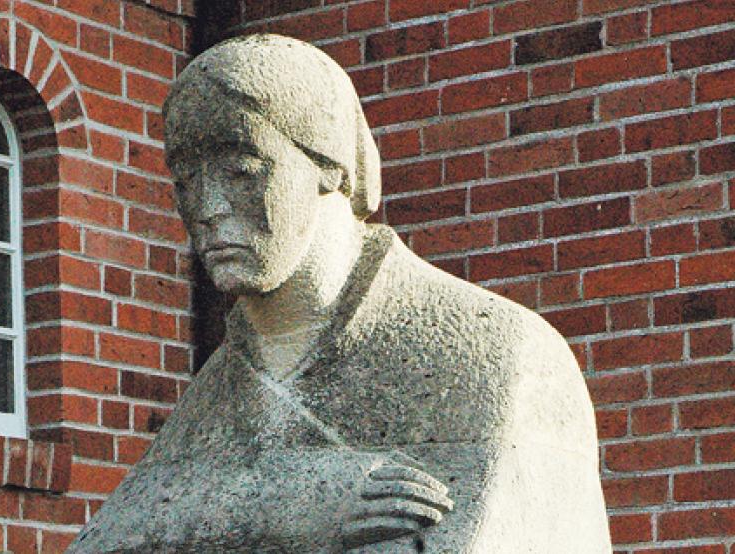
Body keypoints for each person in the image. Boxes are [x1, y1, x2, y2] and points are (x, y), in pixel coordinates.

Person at [68, 34, 611, 553]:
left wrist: (197, 507)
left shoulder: (499, 355)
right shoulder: (219, 386)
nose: (206, 207)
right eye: (186, 180)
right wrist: (290, 500)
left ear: (329, 164)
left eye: (241, 170)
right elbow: (103, 536)